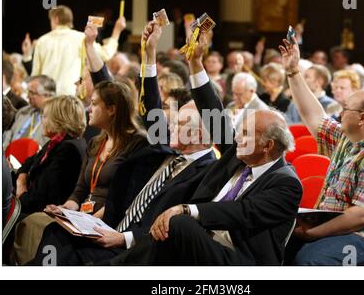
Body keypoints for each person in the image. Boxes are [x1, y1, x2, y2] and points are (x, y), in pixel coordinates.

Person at [29, 20, 217, 265]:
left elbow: (177, 226)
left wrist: (122, 238)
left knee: (69, 255)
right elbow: (151, 108)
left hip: (138, 249)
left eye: (181, 125)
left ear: (202, 135)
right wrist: (148, 54)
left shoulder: (209, 172)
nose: (170, 126)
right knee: (54, 233)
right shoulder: (170, 153)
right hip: (109, 226)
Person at [107, 31, 302, 266]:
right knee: (172, 227)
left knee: (179, 223)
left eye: (247, 134)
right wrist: (195, 62)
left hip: (238, 259)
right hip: (199, 242)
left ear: (268, 145)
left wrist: (188, 210)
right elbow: (214, 114)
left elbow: (242, 212)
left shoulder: (286, 182)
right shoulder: (240, 156)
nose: (238, 137)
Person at [279, 36, 364, 266]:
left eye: (345, 109)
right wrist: (293, 72)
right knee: (272, 243)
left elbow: (361, 216)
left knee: (308, 260)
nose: (339, 113)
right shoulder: (348, 137)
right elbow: (314, 116)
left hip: (360, 237)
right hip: (328, 225)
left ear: (363, 118)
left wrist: (315, 233)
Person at [12, 76, 148, 265]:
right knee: (54, 230)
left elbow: (126, 197)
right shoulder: (96, 143)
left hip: (108, 221)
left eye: (94, 104)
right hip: (83, 218)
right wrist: (64, 210)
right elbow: (80, 190)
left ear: (112, 109)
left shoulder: (137, 144)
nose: (89, 109)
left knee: (61, 244)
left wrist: (87, 219)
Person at [15, 95, 87, 215]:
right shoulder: (56, 142)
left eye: (44, 116)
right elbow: (29, 162)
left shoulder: (68, 150)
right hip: (29, 204)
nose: (42, 121)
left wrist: (21, 191)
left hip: (40, 213)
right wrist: (21, 179)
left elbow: (41, 198)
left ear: (58, 119)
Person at [31, 5, 126, 95]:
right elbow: (105, 54)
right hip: (71, 96)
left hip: (47, 95)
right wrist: (117, 31)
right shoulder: (80, 38)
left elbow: (35, 75)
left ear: (56, 19)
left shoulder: (41, 41)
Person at [3, 75, 56, 149]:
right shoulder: (23, 111)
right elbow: (9, 134)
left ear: (47, 96)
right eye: (28, 92)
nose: (27, 96)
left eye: (32, 93)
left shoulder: (54, 120)